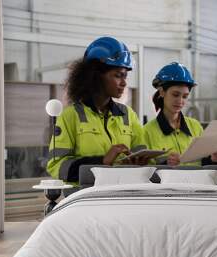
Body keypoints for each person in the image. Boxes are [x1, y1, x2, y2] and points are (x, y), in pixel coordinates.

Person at [46, 36, 146, 182]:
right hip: (86, 200)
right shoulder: (70, 117)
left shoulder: (129, 115)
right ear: (95, 76)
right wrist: (102, 161)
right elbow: (56, 167)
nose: (124, 83)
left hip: (123, 197)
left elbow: (143, 158)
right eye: (118, 76)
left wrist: (141, 162)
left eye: (125, 76)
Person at [143, 62, 217, 166]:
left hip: (196, 182)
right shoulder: (147, 132)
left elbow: (203, 165)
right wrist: (166, 164)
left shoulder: (195, 126)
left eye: (185, 96)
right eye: (175, 94)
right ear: (161, 92)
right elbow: (146, 172)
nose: (180, 101)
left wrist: (214, 159)